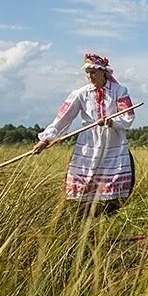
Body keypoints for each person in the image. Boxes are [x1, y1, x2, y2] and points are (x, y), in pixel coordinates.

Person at [34, 53, 137, 216]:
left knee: (114, 181)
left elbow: (128, 116)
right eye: (87, 72)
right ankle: (82, 217)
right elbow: (63, 117)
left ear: (103, 72)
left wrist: (111, 122)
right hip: (89, 144)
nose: (90, 76)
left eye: (93, 72)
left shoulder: (119, 91)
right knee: (84, 183)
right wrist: (46, 139)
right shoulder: (80, 93)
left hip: (113, 143)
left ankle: (109, 216)